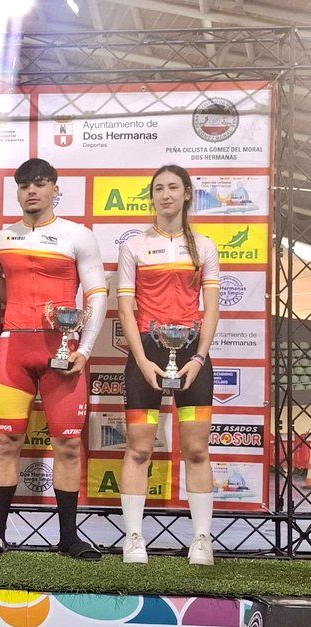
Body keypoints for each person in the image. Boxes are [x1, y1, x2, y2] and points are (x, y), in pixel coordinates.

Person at [0, 158, 107, 560]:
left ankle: (69, 538)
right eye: (24, 186)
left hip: (63, 349)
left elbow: (97, 294)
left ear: (55, 188)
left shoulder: (78, 236)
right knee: (7, 441)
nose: (31, 191)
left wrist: (84, 349)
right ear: (17, 192)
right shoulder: (0, 240)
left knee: (67, 445)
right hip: (13, 349)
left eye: (39, 184)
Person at [117, 165, 220, 566]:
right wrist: (142, 359)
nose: (165, 195)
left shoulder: (205, 246)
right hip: (146, 351)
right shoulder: (134, 246)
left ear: (187, 193)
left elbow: (211, 309)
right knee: (139, 448)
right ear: (152, 197)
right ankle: (133, 538)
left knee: (196, 449)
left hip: (192, 353)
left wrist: (199, 357)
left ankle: (202, 540)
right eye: (158, 188)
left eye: (173, 187)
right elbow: (126, 308)